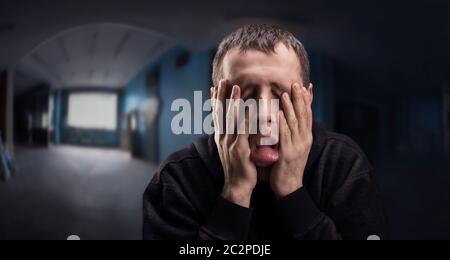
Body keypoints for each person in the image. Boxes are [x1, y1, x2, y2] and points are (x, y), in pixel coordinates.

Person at [143, 24, 385, 240]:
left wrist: (293, 192)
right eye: (246, 96)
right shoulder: (175, 179)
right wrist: (235, 193)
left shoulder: (344, 165)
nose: (262, 114)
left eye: (281, 95)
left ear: (307, 98)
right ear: (216, 102)